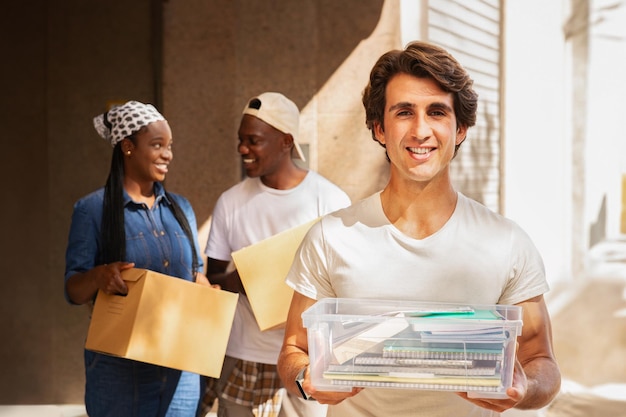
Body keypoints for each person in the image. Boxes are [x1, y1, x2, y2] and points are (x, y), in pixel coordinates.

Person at [277, 41, 561, 417]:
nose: (421, 130)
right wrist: (305, 380)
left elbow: (541, 360)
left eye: (437, 112)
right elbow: (294, 351)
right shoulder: (332, 237)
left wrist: (525, 390)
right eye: (404, 112)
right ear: (379, 128)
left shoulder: (506, 242)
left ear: (460, 129)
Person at [202, 92, 351, 417]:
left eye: (253, 140)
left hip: (306, 360)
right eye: (241, 140)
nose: (243, 149)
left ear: (286, 141)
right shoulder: (230, 202)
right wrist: (237, 280)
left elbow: (348, 286)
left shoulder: (330, 201)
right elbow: (212, 281)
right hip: (244, 355)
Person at [64, 100, 212, 417]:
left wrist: (204, 287)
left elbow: (195, 273)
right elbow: (73, 290)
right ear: (128, 147)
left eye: (170, 146)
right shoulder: (92, 210)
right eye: (157, 145)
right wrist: (99, 276)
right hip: (120, 374)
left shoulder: (181, 208)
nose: (168, 154)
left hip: (180, 370)